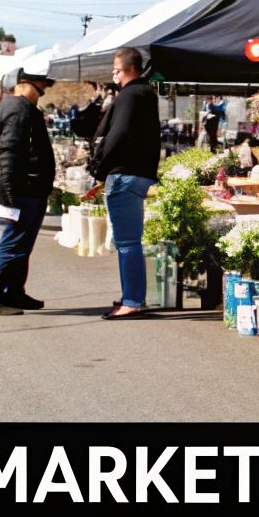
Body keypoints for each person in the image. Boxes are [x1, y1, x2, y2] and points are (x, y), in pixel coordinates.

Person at [88, 48, 162, 319]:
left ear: (129, 69)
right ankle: (133, 296)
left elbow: (118, 134)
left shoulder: (131, 95)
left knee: (128, 242)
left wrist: (99, 168)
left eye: (116, 70)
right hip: (137, 173)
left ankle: (132, 300)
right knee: (129, 241)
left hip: (125, 174)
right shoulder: (145, 94)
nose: (114, 75)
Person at [0, 71, 57, 315]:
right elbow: (8, 153)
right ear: (24, 84)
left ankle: (13, 292)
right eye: (41, 84)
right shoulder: (16, 109)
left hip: (28, 189)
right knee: (13, 243)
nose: (44, 88)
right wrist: (10, 193)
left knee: (21, 245)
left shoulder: (22, 108)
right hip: (22, 191)